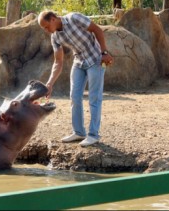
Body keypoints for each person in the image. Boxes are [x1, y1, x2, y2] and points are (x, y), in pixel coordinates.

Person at [38, 10, 114, 147]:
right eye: (43, 28)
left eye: (46, 26)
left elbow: (97, 30)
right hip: (79, 61)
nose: (46, 30)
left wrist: (104, 53)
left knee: (94, 97)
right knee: (74, 96)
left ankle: (93, 135)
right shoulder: (55, 37)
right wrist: (49, 84)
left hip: (96, 58)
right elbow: (58, 62)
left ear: (53, 19)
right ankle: (79, 132)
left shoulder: (74, 18)